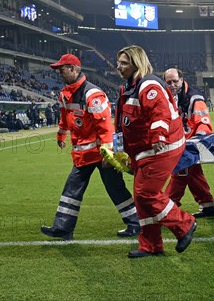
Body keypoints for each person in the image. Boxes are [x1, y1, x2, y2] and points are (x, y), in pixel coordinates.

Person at [40, 54, 140, 241]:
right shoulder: (64, 94)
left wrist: (108, 153)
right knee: (72, 189)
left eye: (62, 70)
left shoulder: (92, 94)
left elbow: (104, 126)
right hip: (83, 155)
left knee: (115, 188)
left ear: (74, 69)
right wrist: (61, 135)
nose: (59, 73)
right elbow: (64, 118)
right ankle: (63, 228)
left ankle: (136, 224)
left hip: (100, 154)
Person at [115, 46, 197, 258]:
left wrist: (158, 135)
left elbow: (158, 112)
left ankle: (184, 224)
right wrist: (119, 151)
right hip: (147, 149)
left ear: (136, 63)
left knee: (145, 193)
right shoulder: (131, 88)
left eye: (123, 63)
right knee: (141, 197)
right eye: (119, 62)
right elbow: (125, 125)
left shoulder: (148, 84)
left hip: (162, 146)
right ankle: (151, 245)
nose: (118, 67)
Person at [163, 68, 214, 218]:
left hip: (192, 144)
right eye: (169, 82)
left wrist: (196, 144)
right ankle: (208, 205)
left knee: (180, 172)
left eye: (175, 81)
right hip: (181, 142)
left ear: (182, 79)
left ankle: (167, 207)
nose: (172, 84)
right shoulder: (171, 96)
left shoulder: (194, 98)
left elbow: (203, 123)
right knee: (194, 175)